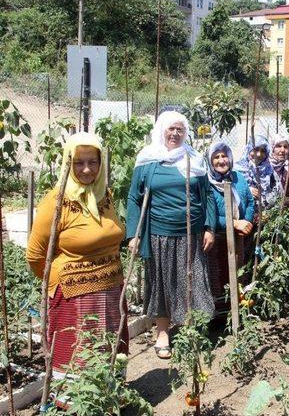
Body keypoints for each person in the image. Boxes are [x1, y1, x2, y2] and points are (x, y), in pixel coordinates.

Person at [27, 133, 128, 377]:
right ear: (67, 163)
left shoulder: (104, 195)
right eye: (78, 163)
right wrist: (56, 283)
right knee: (78, 352)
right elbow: (35, 255)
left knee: (109, 346)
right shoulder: (56, 201)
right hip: (75, 295)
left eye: (93, 162)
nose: (86, 169)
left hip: (112, 287)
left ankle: (109, 399)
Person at [126, 111, 216, 359]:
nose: (175, 134)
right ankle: (163, 333)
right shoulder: (147, 160)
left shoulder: (194, 159)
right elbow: (134, 197)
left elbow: (208, 195)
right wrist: (133, 235)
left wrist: (209, 227)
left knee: (193, 282)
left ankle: (191, 330)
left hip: (191, 234)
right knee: (162, 284)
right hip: (159, 235)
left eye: (180, 129)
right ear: (161, 129)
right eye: (171, 129)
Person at [205, 141, 255, 318]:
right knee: (219, 275)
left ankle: (238, 311)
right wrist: (233, 223)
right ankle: (220, 317)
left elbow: (249, 201)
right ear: (210, 161)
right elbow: (207, 215)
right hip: (216, 238)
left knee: (239, 272)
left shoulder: (238, 177)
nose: (221, 160)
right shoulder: (206, 183)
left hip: (240, 235)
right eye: (216, 157)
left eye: (224, 156)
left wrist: (246, 222)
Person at [236, 135, 282, 210]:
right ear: (249, 149)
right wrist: (247, 190)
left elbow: (277, 193)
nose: (259, 154)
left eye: (263, 151)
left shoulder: (269, 171)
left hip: (266, 214)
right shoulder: (238, 170)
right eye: (255, 149)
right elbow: (231, 191)